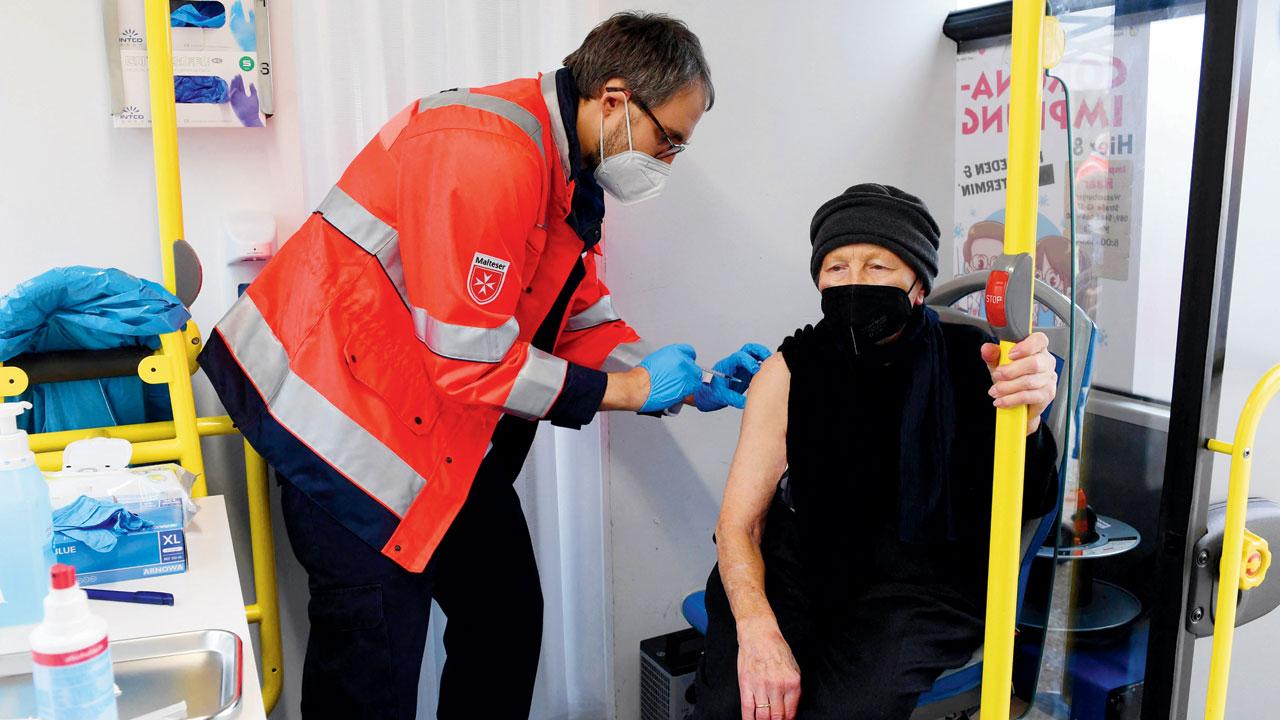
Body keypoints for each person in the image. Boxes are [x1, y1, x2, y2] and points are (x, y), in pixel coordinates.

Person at [198, 13, 769, 719]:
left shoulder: (566, 173)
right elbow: (467, 360)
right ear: (616, 101)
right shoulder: (486, 153)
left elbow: (571, 314)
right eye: (668, 141)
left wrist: (684, 382)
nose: (669, 163)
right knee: (374, 668)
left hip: (434, 431)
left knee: (503, 620)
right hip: (347, 431)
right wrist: (630, 388)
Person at [693, 184, 1061, 720]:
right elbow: (737, 524)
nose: (853, 282)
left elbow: (1026, 500)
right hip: (800, 562)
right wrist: (757, 632)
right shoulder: (790, 370)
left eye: (877, 267)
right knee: (737, 704)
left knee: (842, 709)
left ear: (917, 284)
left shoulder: (974, 362)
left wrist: (1029, 417)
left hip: (923, 581)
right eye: (836, 268)